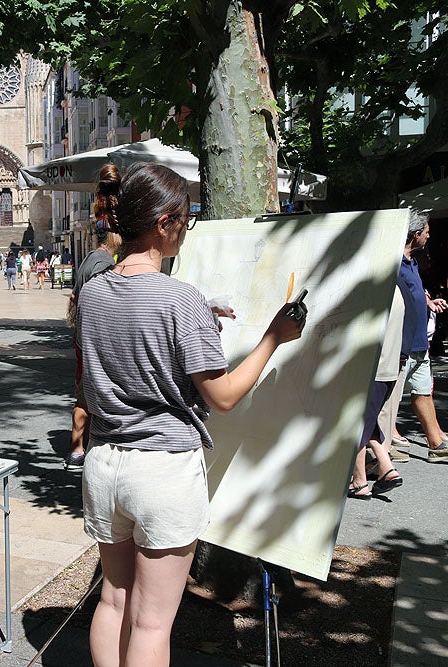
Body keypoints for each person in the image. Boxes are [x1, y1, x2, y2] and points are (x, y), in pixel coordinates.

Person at [77, 162, 305, 667]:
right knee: (153, 623)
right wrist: (272, 338)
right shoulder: (182, 298)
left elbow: (123, 353)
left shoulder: (92, 292)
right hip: (162, 469)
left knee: (113, 602)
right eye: (186, 218)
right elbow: (222, 397)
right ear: (164, 222)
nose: (188, 227)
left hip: (104, 463)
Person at [395, 211, 448, 461]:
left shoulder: (412, 262)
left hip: (418, 342)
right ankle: (383, 447)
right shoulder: (394, 262)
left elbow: (414, 293)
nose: (428, 236)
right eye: (426, 232)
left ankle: (436, 445)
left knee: (423, 392)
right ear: (416, 235)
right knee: (388, 397)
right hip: (402, 343)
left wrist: (427, 301)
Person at [64, 218, 121, 472]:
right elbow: (102, 300)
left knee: (84, 394)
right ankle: (79, 452)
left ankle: (79, 450)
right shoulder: (103, 263)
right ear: (112, 235)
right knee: (88, 396)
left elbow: (76, 295)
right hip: (93, 338)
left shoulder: (90, 258)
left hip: (84, 335)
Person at [348, 285, 406, 498]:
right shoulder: (394, 287)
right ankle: (386, 468)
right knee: (369, 422)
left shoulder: (376, 288)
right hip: (387, 368)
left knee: (356, 424)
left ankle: (360, 481)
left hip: (373, 369)